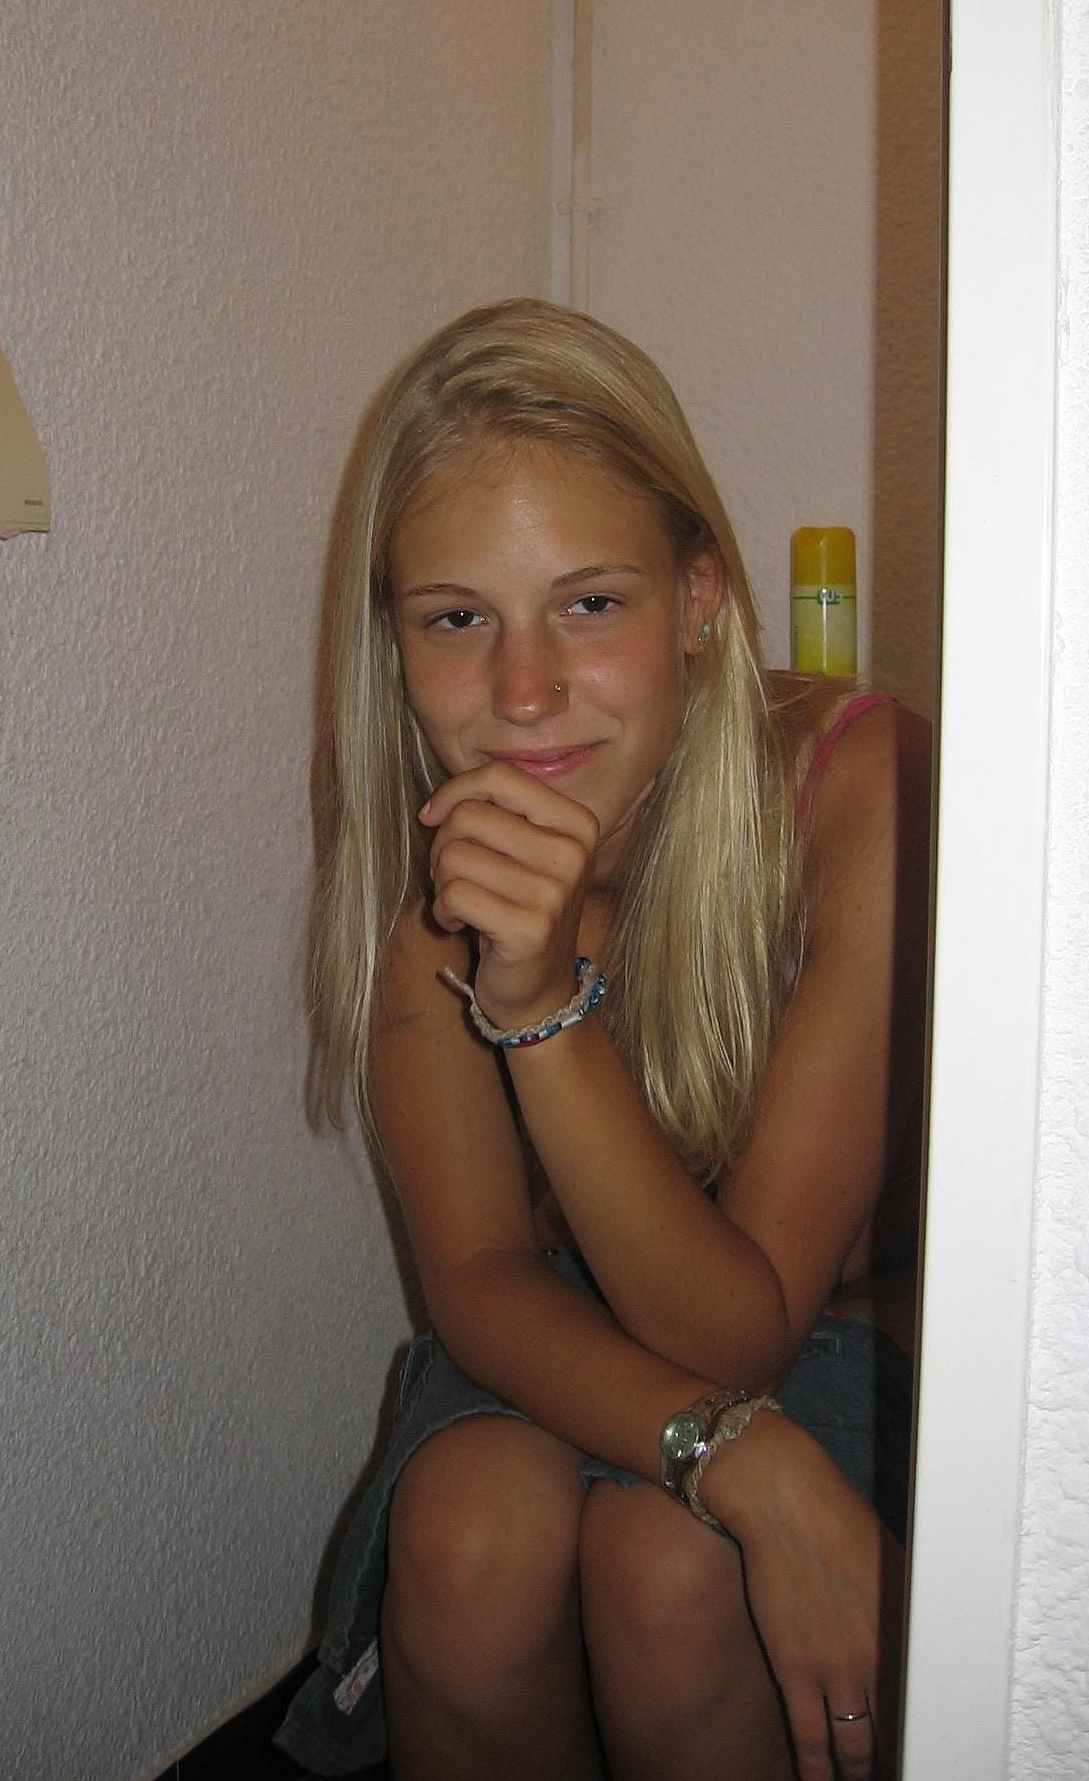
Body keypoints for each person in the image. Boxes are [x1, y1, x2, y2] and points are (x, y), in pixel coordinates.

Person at [277, 299, 928, 1781]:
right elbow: (480, 1278)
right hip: (582, 1312)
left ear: (699, 598)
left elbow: (744, 1329)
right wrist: (744, 1462)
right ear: (393, 643)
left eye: (589, 605)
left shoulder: (857, 790)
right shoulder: (429, 864)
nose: (523, 695)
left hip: (846, 1320)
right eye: (457, 619)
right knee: (467, 1535)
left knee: (670, 1570)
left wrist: (538, 1011)